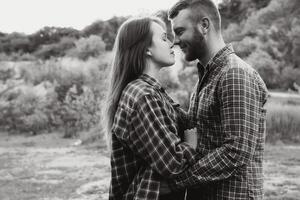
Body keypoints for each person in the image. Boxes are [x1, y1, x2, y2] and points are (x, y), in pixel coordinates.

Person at [166, 0, 269, 199]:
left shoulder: (234, 73)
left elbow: (235, 153)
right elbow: (198, 129)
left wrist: (177, 181)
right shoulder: (208, 75)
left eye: (179, 31)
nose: (175, 41)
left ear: (204, 26)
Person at [104, 16, 199, 200]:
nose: (172, 43)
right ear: (147, 49)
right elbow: (173, 163)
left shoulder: (151, 91)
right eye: (164, 38)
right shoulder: (143, 96)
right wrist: (191, 144)